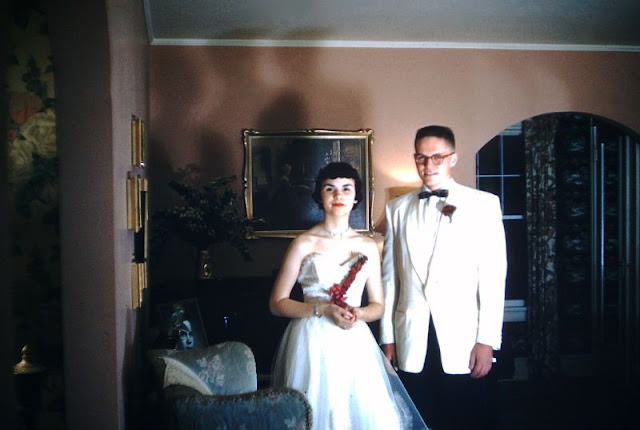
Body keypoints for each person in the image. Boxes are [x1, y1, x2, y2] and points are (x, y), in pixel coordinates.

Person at [270, 162, 428, 430]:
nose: (338, 195)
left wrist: (359, 313)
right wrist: (322, 309)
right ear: (320, 196)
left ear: (356, 197)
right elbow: (277, 303)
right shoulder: (302, 243)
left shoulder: (367, 246)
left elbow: (378, 305)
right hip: (311, 340)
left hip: (354, 341)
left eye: (346, 188)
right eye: (330, 189)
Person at [380, 125, 507, 430]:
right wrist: (388, 338)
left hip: (463, 339)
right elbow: (389, 280)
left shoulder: (484, 205)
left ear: (453, 158)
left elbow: (492, 278)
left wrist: (487, 341)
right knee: (418, 418)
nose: (429, 165)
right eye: (422, 158)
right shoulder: (396, 209)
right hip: (411, 336)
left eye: (437, 157)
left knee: (466, 417)